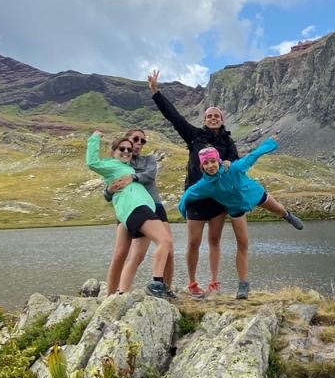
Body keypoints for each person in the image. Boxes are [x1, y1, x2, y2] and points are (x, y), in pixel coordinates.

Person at [147, 68, 243, 298]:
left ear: (222, 120)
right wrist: (156, 92)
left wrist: (229, 163)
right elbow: (174, 117)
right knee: (193, 242)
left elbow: (236, 162)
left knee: (215, 241)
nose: (212, 118)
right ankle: (192, 283)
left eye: (216, 116)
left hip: (218, 199)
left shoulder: (228, 141)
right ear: (204, 119)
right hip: (196, 196)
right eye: (209, 116)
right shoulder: (194, 136)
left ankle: (214, 282)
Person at [178, 141, 303, 298]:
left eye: (213, 161)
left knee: (278, 209)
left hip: (254, 193)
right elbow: (188, 196)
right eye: (206, 163)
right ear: (202, 166)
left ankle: (287, 216)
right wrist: (183, 212)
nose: (210, 165)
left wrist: (271, 143)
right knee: (243, 243)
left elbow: (253, 155)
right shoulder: (204, 185)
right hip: (236, 209)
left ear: (219, 160)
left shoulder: (234, 168)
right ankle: (243, 285)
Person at [86, 131, 173, 298]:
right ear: (114, 151)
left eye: (141, 141)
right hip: (136, 209)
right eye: (124, 147)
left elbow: (149, 174)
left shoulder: (142, 162)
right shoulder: (114, 164)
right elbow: (93, 163)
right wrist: (95, 137)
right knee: (164, 241)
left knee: (137, 257)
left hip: (145, 208)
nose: (129, 149)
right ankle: (156, 284)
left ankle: (121, 295)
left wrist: (132, 177)